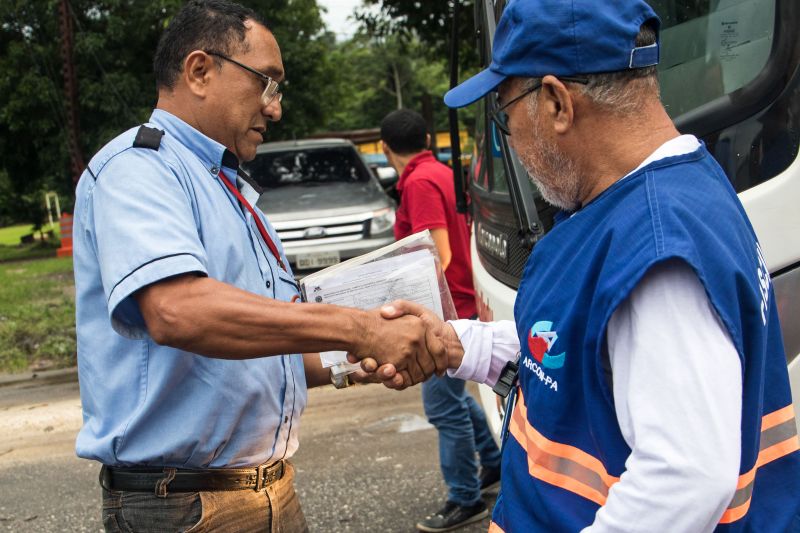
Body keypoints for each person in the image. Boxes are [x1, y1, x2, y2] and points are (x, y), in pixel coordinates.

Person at [375, 0, 800, 530]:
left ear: (556, 102)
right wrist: (461, 345)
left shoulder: (655, 248)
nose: (515, 145)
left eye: (507, 118)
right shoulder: (669, 194)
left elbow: (684, 478)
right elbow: (581, 349)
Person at [71, 1, 444, 531]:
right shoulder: (138, 169)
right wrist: (358, 329)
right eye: (266, 83)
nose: (275, 108)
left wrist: (362, 359)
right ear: (200, 71)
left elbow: (271, 350)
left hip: (266, 488)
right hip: (182, 504)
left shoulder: (233, 191)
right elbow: (179, 311)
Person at [380, 110, 502, 532]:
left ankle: (465, 498)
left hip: (442, 312)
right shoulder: (441, 172)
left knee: (442, 407)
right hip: (458, 302)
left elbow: (439, 256)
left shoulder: (418, 182)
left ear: (383, 148)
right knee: (454, 398)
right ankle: (495, 461)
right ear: (428, 138)